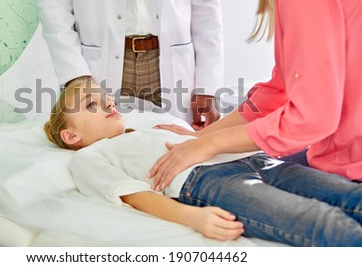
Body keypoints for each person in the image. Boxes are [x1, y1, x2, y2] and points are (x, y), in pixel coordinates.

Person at [44, 78, 362, 246]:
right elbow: (131, 193)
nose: (108, 102)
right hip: (209, 182)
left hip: (253, 158)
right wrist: (191, 217)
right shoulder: (89, 157)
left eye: (106, 98)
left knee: (347, 195)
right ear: (71, 136)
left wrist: (193, 136)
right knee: (318, 221)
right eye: (91, 104)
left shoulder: (148, 128)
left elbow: (205, 140)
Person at [148, 0, 362, 189]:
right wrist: (200, 137)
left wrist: (210, 144)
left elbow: (311, 117)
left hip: (351, 168)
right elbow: (279, 89)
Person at [34, 0, 224, 128]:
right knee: (102, 153)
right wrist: (75, 72)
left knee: (174, 152)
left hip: (170, 63)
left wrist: (206, 86)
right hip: (97, 67)